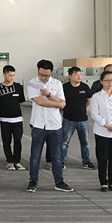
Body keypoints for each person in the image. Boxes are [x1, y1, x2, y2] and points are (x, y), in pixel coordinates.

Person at [26, 59, 74, 193]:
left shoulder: (57, 84)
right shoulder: (32, 83)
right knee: (35, 155)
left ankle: (59, 182)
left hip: (55, 125)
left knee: (57, 156)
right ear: (38, 71)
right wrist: (57, 103)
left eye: (46, 75)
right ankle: (33, 181)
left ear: (51, 73)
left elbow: (63, 103)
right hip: (38, 125)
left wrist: (48, 94)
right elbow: (40, 102)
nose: (43, 78)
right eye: (41, 74)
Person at [89, 71, 112, 192]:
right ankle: (103, 182)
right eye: (107, 80)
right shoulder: (96, 96)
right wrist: (105, 125)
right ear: (101, 82)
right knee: (102, 157)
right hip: (102, 131)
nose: (109, 83)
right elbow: (94, 113)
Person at [61, 67, 94, 170]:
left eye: (80, 74)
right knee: (64, 142)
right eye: (76, 74)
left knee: (85, 142)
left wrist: (81, 108)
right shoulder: (65, 87)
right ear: (70, 76)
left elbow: (89, 100)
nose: (79, 76)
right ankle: (61, 161)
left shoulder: (85, 87)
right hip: (68, 120)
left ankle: (86, 161)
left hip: (83, 120)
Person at [0, 65, 26, 170]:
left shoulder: (18, 87)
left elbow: (20, 101)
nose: (12, 77)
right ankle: (10, 161)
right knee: (6, 141)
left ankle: (17, 161)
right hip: (5, 119)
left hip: (17, 119)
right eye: (9, 75)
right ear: (4, 74)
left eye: (13, 75)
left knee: (18, 140)